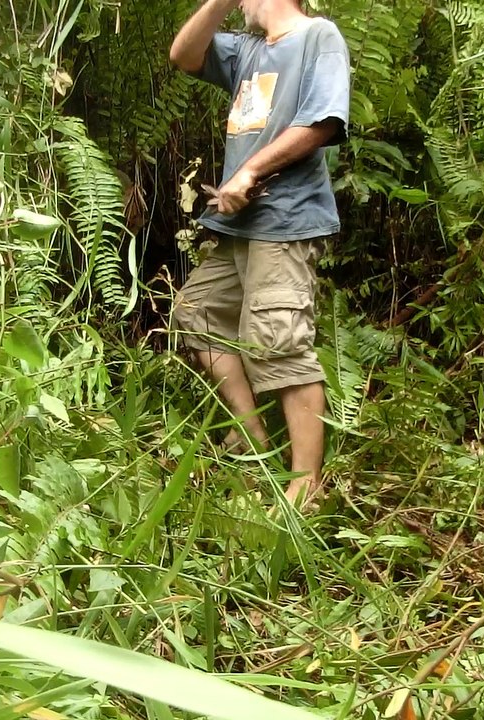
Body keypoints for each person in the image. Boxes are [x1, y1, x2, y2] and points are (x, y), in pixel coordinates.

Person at [167, 0, 351, 509]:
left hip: (285, 218)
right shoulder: (246, 50)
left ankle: (305, 486)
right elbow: (183, 53)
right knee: (198, 313)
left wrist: (249, 172)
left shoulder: (318, 36)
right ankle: (251, 443)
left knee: (279, 342)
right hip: (239, 226)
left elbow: (323, 122)